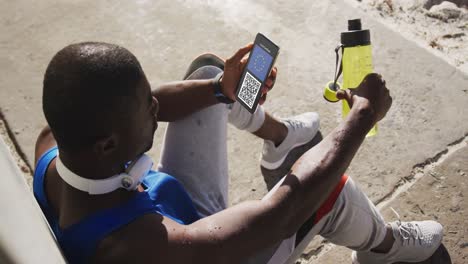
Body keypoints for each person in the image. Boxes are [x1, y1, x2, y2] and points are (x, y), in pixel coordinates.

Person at [33, 42, 443, 264]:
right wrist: (363, 117)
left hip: (170, 213)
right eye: (147, 105)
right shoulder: (138, 248)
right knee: (330, 194)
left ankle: (281, 138)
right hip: (203, 248)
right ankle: (384, 247)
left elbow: (152, 101)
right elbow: (284, 209)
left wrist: (219, 90)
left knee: (208, 71)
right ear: (107, 143)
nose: (156, 106)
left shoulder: (53, 144)